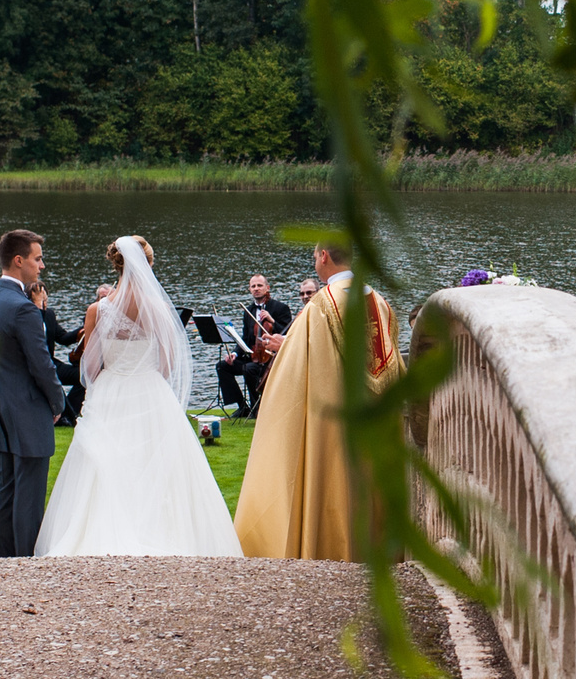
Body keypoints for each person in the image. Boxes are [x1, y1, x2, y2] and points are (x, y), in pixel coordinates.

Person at [36, 236, 242, 557]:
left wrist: (108, 380)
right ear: (147, 266)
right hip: (150, 389)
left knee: (105, 462)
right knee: (158, 462)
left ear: (116, 265)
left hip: (110, 390)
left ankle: (102, 534)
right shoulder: (159, 308)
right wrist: (146, 376)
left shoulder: (97, 310)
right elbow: (169, 362)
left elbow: (90, 366)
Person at [236, 241, 404, 560]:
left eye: (315, 256)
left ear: (324, 256)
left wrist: (282, 347)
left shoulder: (322, 304)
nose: (315, 261)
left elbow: (297, 369)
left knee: (334, 482)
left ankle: (331, 552)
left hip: (333, 416)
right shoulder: (379, 301)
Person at [0, 229, 66, 558]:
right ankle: (26, 565)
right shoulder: (23, 308)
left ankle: (5, 562)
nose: (41, 266)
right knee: (29, 495)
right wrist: (58, 401)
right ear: (18, 260)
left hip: (0, 406)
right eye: (37, 259)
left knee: (7, 489)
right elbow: (41, 364)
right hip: (28, 408)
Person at [215, 274, 293, 417]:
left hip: (271, 359)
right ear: (250, 289)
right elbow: (245, 338)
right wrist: (235, 353)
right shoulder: (249, 311)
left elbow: (289, 333)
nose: (256, 289)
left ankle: (257, 407)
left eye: (259, 285)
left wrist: (272, 321)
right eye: (253, 286)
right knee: (222, 366)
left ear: (267, 288)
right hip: (253, 356)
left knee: (249, 369)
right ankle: (242, 406)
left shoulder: (280, 308)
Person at [33, 281, 89, 425]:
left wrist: (86, 327)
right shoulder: (27, 316)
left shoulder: (49, 314)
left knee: (84, 375)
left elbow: (63, 338)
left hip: (52, 363)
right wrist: (38, 308)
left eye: (45, 299)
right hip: (36, 367)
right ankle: (64, 415)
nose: (44, 303)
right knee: (52, 380)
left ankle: (71, 412)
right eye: (40, 299)